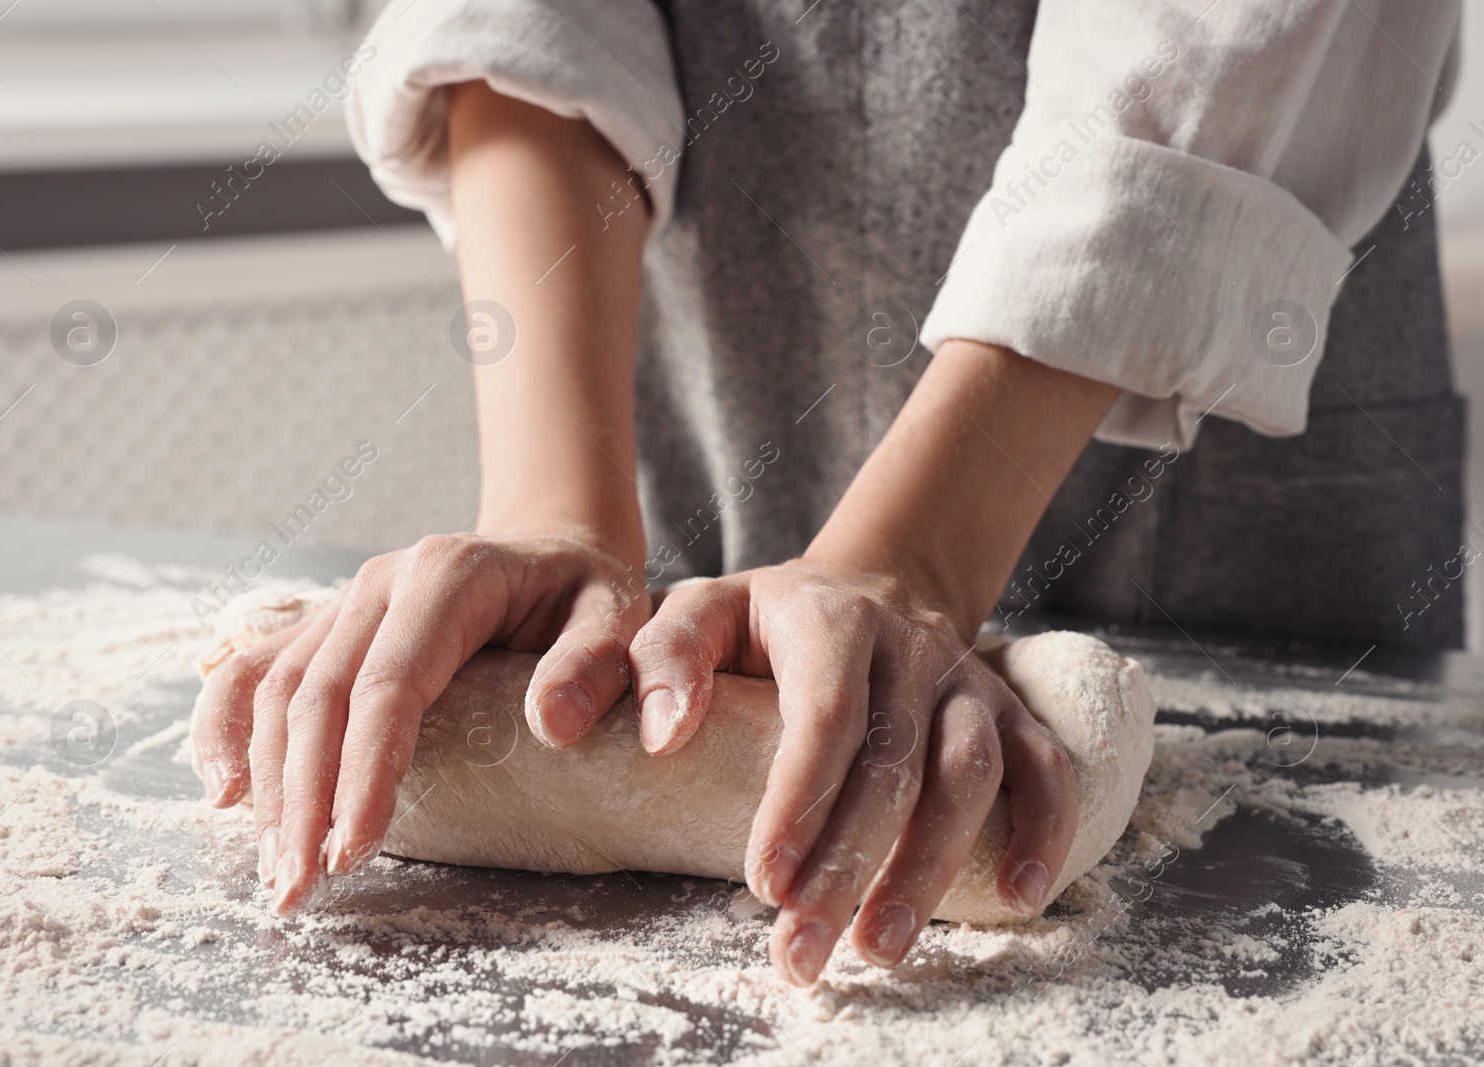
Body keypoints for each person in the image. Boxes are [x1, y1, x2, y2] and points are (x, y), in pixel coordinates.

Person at [193, 0, 1466, 985]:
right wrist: (555, 514)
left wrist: (911, 557)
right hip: (720, 384)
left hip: (1222, 416)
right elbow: (518, 20)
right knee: (768, 727)